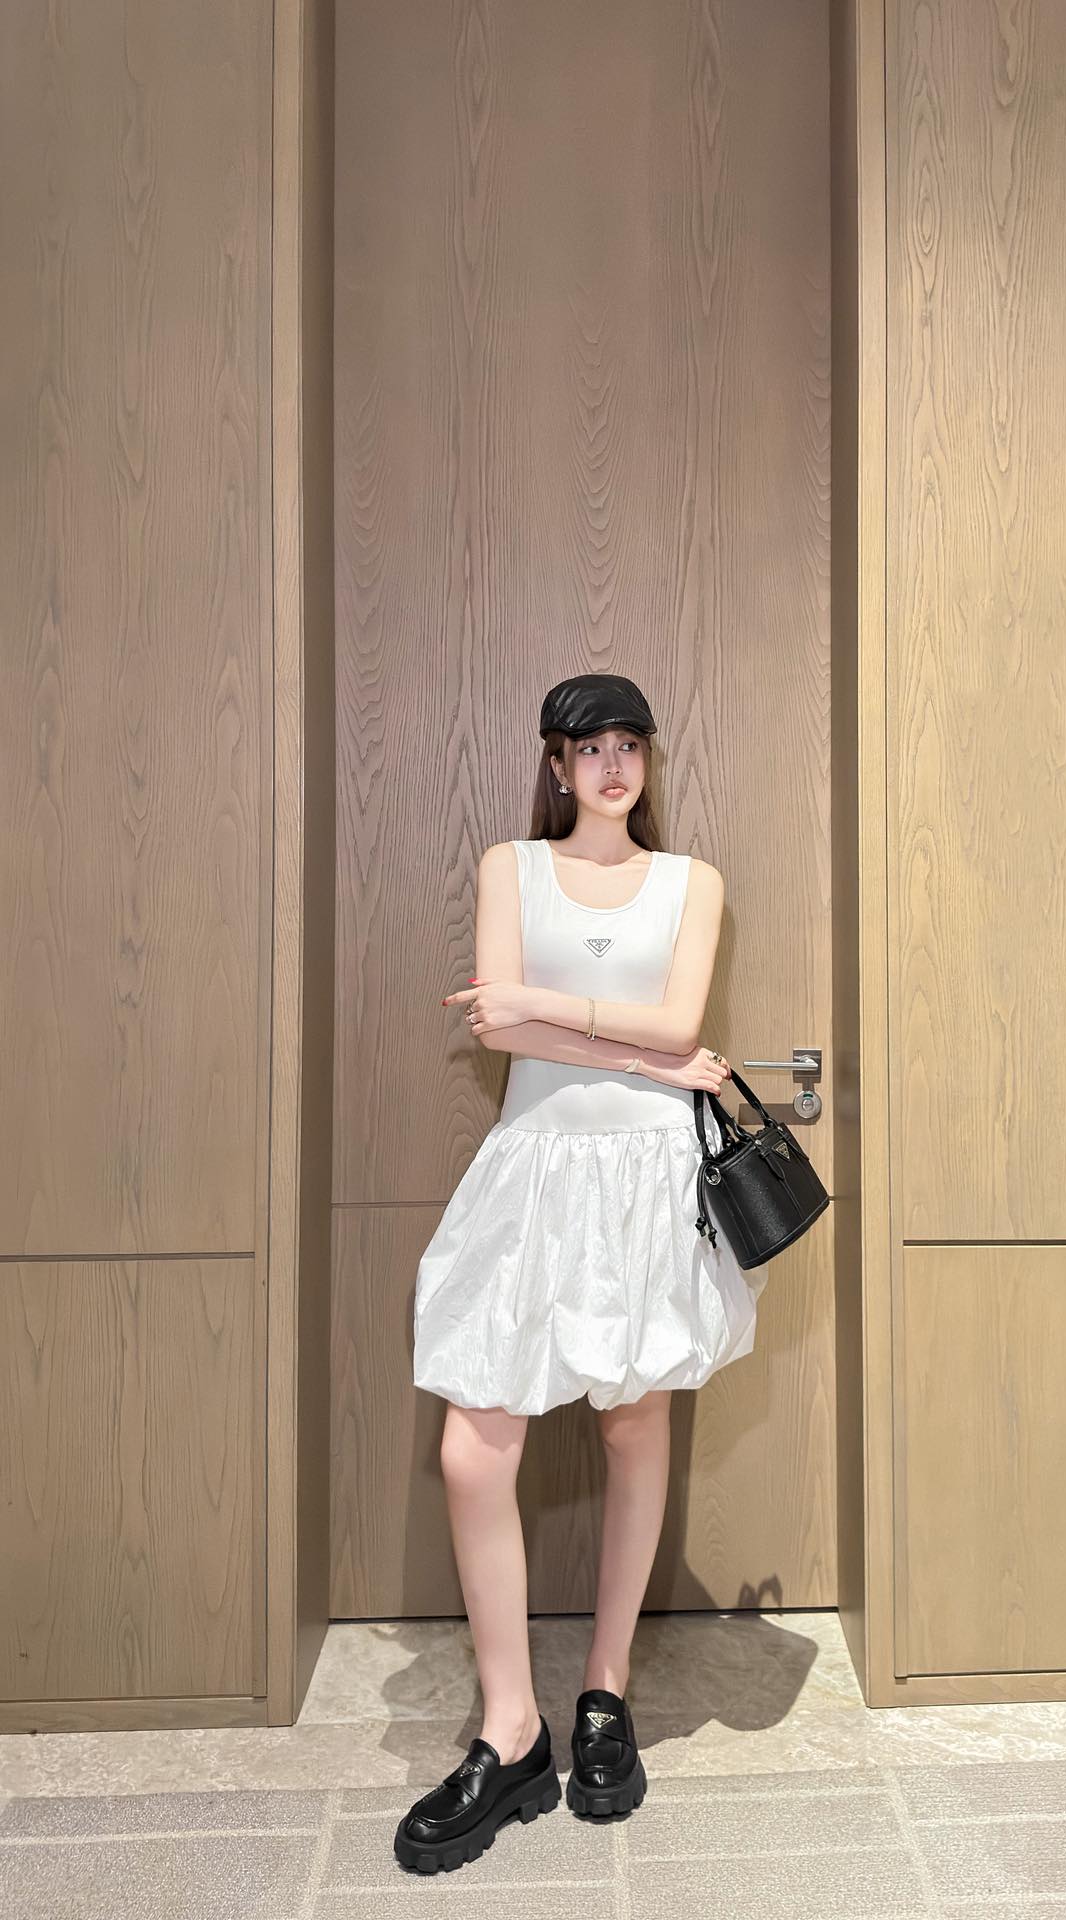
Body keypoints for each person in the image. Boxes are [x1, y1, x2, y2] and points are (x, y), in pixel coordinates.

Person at [393, 671, 770, 1876]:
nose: (610, 765)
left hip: (647, 1179)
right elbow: (499, 1031)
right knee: (474, 1443)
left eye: (627, 745)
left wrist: (559, 1012)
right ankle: (509, 1730)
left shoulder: (691, 882)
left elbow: (674, 1023)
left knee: (632, 1422)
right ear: (555, 765)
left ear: (646, 761)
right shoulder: (511, 866)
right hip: (535, 1171)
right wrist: (643, 1052)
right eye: (585, 746)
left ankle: (604, 1693)